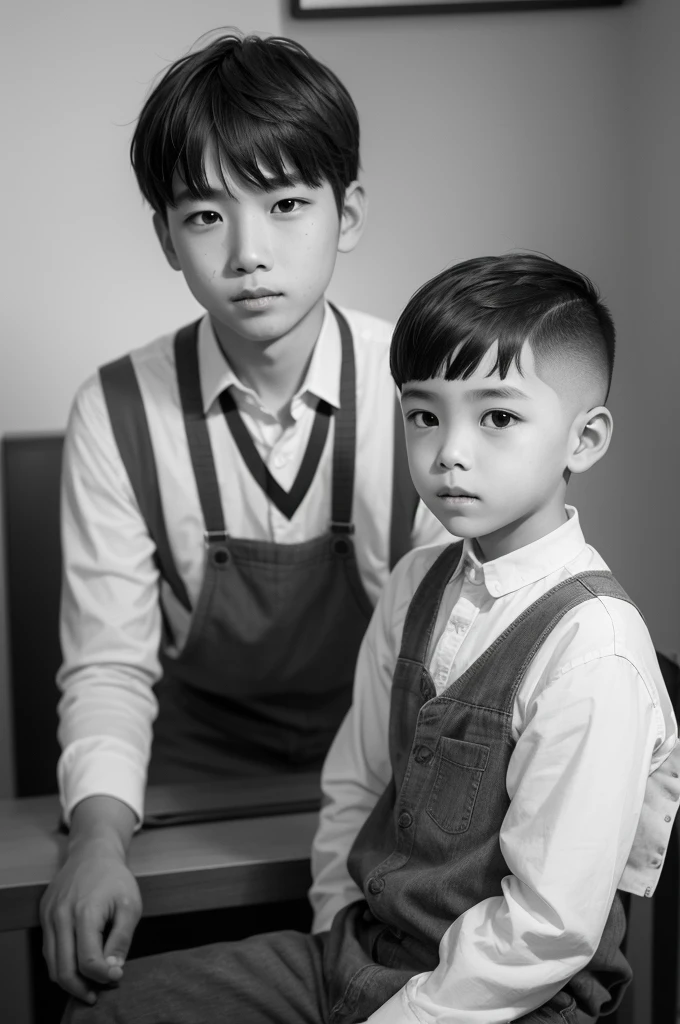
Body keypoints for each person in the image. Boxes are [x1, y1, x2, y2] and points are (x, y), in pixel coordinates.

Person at [63, 253, 680, 1023]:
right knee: (107, 1011)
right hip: (364, 953)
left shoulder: (596, 650)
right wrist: (332, 930)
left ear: (583, 440)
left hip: (513, 999)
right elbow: (354, 785)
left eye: (498, 417)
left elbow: (547, 932)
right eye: (425, 415)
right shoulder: (415, 584)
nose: (449, 451)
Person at [42, 32, 448, 1005]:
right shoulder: (116, 409)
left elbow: (457, 658)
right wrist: (97, 835)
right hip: (185, 779)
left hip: (389, 768)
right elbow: (106, 663)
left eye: (286, 204)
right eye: (203, 213)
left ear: (345, 214)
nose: (247, 252)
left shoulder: (422, 392)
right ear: (164, 237)